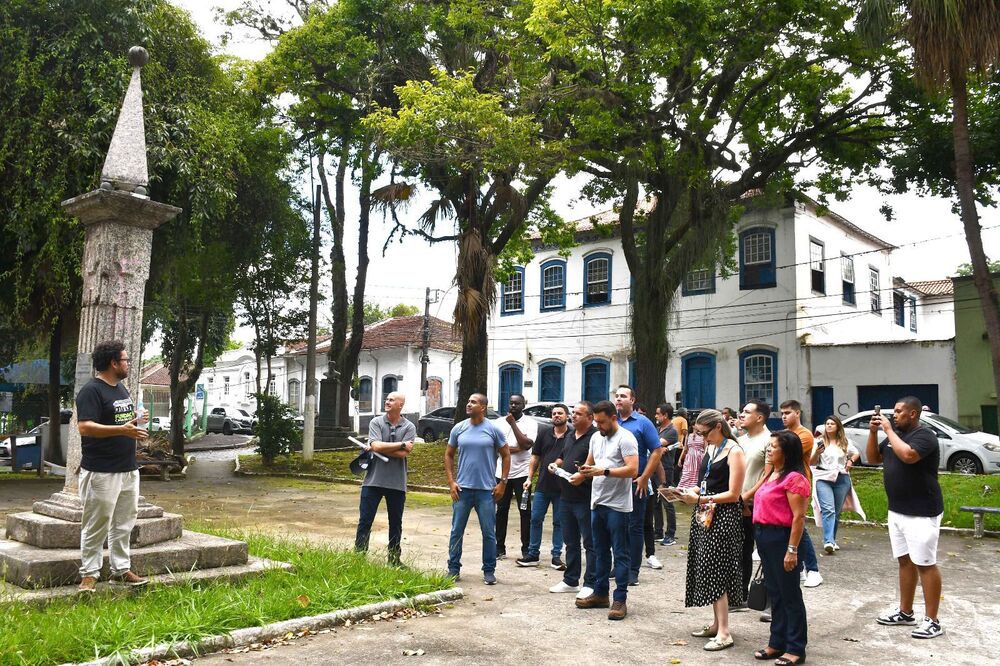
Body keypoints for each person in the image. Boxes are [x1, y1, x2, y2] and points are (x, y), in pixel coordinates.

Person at [868, 397, 945, 639]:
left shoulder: (925, 436)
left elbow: (909, 456)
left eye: (899, 412)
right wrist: (873, 432)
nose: (894, 415)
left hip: (922, 511)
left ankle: (933, 620)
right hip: (897, 510)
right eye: (894, 412)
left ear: (913, 414)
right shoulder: (893, 436)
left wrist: (888, 431)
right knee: (905, 562)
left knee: (925, 563)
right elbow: (872, 458)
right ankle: (905, 611)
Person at [76, 340, 150, 592]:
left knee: (124, 522)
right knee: (96, 523)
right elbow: (85, 427)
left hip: (128, 468)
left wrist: (136, 421)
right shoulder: (91, 391)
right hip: (101, 471)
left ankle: (120, 569)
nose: (129, 364)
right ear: (113, 363)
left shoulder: (121, 389)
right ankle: (89, 573)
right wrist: (122, 429)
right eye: (126, 360)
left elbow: (121, 422)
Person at [675, 409, 747, 652]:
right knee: (707, 567)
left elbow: (733, 494)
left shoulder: (734, 451)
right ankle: (717, 624)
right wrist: (688, 490)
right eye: (698, 433)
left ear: (718, 426)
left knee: (717, 570)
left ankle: (725, 632)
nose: (702, 438)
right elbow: (705, 482)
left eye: (704, 433)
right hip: (706, 515)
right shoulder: (711, 448)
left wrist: (699, 499)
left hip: (724, 517)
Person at [751, 430, 810, 665]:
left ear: (786, 451)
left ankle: (796, 647)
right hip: (764, 537)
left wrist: (792, 550)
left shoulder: (794, 478)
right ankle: (777, 642)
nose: (769, 449)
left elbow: (799, 518)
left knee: (790, 595)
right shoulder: (772, 474)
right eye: (769, 445)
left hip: (783, 538)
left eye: (774, 446)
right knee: (774, 593)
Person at [575, 400, 639, 620]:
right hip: (597, 503)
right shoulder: (595, 437)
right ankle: (600, 593)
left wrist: (604, 472)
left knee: (620, 553)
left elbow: (633, 470)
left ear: (614, 418)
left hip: (618, 506)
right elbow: (590, 463)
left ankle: (620, 598)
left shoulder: (626, 438)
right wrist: (581, 473)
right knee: (600, 552)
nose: (598, 426)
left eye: (602, 422)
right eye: (596, 422)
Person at [445, 393, 511, 585]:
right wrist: (451, 482)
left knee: (489, 532)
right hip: (462, 490)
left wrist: (502, 483)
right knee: (456, 530)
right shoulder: (459, 428)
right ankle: (453, 568)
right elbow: (449, 454)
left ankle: (489, 570)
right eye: (468, 401)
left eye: (473, 402)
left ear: (482, 407)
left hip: (486, 491)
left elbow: (506, 456)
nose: (468, 404)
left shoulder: (493, 430)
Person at [355, 392, 415, 566]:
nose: (387, 402)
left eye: (391, 400)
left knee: (395, 523)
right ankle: (358, 558)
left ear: (400, 405)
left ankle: (394, 560)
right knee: (365, 521)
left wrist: (382, 447)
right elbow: (375, 445)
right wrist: (401, 444)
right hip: (372, 481)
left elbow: (404, 453)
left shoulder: (409, 426)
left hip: (397, 483)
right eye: (387, 399)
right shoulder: (376, 422)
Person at [614, 385, 663, 583]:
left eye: (623, 396)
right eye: (616, 396)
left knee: (635, 527)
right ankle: (619, 565)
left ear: (632, 400)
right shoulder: (612, 422)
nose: (619, 399)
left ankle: (633, 570)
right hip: (615, 481)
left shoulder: (643, 423)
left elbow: (657, 451)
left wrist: (645, 477)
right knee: (617, 526)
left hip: (637, 482)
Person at [549, 402, 598, 597]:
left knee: (590, 543)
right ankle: (571, 580)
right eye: (574, 413)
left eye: (578, 414)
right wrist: (555, 464)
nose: (573, 416)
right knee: (570, 541)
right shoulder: (570, 435)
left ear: (590, 418)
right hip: (566, 496)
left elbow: (596, 463)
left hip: (585, 497)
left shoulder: (595, 437)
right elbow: (563, 456)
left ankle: (591, 582)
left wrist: (584, 475)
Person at [518, 403, 568, 569]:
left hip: (563, 488)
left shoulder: (573, 435)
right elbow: (535, 457)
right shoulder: (544, 433)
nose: (556, 416)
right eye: (554, 413)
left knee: (559, 522)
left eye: (560, 413)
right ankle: (533, 554)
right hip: (543, 485)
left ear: (567, 416)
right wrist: (529, 478)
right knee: (536, 519)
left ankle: (556, 556)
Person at [779, 400, 822, 588]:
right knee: (791, 526)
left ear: (798, 413)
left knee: (799, 525)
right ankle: (803, 568)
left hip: (799, 484)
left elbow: (783, 455)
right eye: (782, 413)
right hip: (785, 483)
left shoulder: (804, 435)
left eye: (788, 412)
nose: (783, 416)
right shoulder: (786, 435)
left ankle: (813, 570)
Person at [492, 393, 538, 560]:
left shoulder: (531, 423)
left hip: (522, 474)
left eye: (517, 404)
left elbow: (526, 445)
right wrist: (513, 448)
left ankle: (526, 548)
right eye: (511, 403)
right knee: (501, 511)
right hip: (502, 473)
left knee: (525, 510)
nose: (513, 406)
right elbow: (496, 447)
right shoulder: (498, 423)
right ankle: (499, 547)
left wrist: (513, 424)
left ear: (523, 405)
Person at [737, 400, 772, 605]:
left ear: (759, 417)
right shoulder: (741, 440)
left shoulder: (770, 440)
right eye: (742, 411)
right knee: (742, 549)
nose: (741, 415)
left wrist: (748, 496)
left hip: (759, 504)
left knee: (766, 550)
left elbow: (769, 476)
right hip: (739, 503)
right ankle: (741, 594)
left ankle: (768, 598)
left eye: (747, 412)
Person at [811, 416, 863, 553]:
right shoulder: (818, 442)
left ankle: (831, 539)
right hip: (824, 478)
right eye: (827, 423)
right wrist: (817, 453)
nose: (829, 426)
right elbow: (811, 462)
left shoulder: (844, 442)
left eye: (832, 424)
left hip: (841, 478)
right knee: (828, 509)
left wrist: (851, 461)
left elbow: (856, 453)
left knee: (836, 511)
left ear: (838, 426)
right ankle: (828, 541)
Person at [653, 403, 679, 546]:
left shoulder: (671, 431)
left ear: (665, 415)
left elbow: (655, 443)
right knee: (655, 503)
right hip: (655, 468)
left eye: (658, 414)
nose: (656, 416)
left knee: (667, 501)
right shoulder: (658, 429)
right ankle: (658, 531)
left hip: (666, 470)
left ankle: (670, 534)